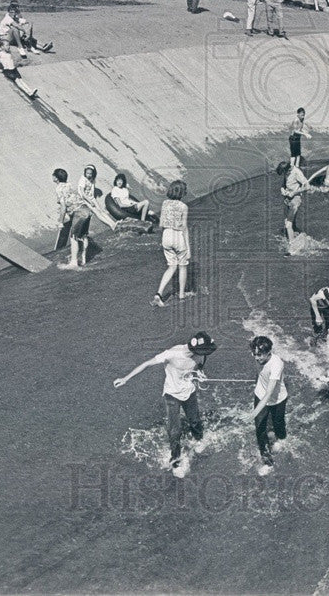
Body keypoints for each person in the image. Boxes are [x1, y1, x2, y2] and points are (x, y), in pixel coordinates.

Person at [113, 331, 217, 478]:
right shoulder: (173, 353)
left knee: (195, 420)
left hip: (189, 392)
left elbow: (200, 364)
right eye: (205, 350)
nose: (206, 353)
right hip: (172, 395)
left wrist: (199, 374)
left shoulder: (201, 354)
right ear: (196, 349)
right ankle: (176, 461)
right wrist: (125, 378)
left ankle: (198, 439)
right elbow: (147, 363)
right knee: (175, 431)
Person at [249, 335, 287, 473]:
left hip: (278, 398)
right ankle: (267, 461)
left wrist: (253, 413)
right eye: (254, 354)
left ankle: (281, 439)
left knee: (278, 423)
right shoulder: (257, 355)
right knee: (260, 428)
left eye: (259, 355)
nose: (256, 357)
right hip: (260, 393)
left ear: (268, 353)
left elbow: (269, 393)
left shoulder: (277, 364)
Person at [154, 180, 192, 306]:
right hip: (177, 236)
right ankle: (181, 295)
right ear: (182, 192)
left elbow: (161, 224)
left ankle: (158, 294)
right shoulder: (183, 207)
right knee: (182, 266)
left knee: (171, 266)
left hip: (166, 236)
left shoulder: (165, 203)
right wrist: (188, 248)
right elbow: (184, 227)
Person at [53, 168, 92, 268]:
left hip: (78, 212)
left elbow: (63, 206)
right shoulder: (69, 184)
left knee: (73, 237)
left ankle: (73, 263)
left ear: (56, 178)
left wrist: (61, 222)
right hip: (86, 209)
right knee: (83, 236)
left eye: (53, 175)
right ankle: (83, 259)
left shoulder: (59, 188)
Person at [277, 159, 310, 250]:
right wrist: (282, 190)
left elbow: (307, 186)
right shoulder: (286, 172)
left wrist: (294, 192)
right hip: (287, 200)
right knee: (291, 224)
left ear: (288, 170)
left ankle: (292, 245)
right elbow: (283, 185)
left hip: (295, 200)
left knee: (288, 225)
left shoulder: (296, 172)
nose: (285, 176)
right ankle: (301, 236)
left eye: (285, 173)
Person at [77, 164, 119, 230]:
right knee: (97, 212)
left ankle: (114, 223)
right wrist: (90, 201)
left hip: (91, 197)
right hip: (84, 199)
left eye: (90, 174)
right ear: (85, 172)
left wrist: (93, 199)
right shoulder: (83, 179)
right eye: (87, 173)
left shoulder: (92, 179)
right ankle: (111, 225)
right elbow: (82, 193)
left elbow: (92, 189)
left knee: (101, 210)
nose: (88, 175)